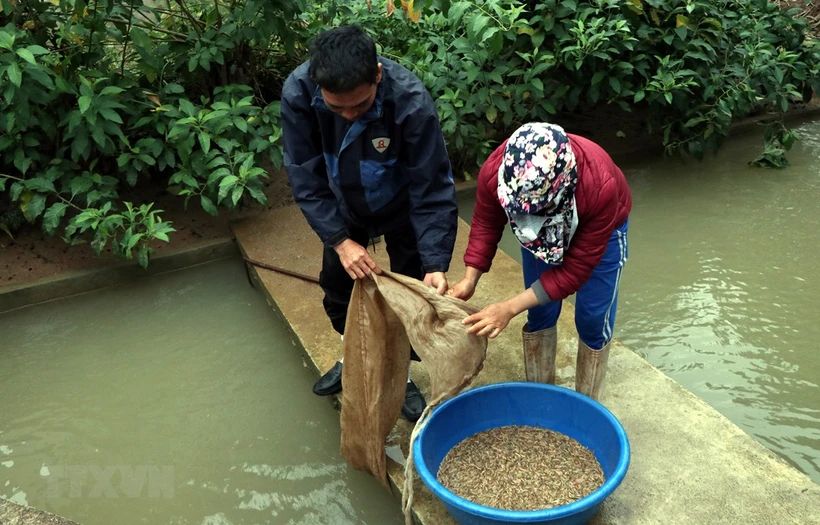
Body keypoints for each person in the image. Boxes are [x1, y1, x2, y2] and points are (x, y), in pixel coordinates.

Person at [280, 25, 458, 421]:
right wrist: (340, 241)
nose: (347, 115)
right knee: (339, 287)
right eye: (336, 108)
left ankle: (402, 375)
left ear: (377, 74)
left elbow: (431, 186)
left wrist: (435, 263)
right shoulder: (298, 94)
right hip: (342, 206)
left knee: (407, 294)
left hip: (399, 206)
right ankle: (352, 357)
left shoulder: (410, 101)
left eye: (359, 106)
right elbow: (304, 175)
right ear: (316, 83)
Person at [449, 122, 632, 400]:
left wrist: (509, 307)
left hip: (602, 232)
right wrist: (469, 278)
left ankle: (588, 403)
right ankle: (540, 396)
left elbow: (575, 272)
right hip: (538, 238)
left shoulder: (599, 183)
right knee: (539, 313)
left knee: (593, 319)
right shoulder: (495, 170)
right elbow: (487, 221)